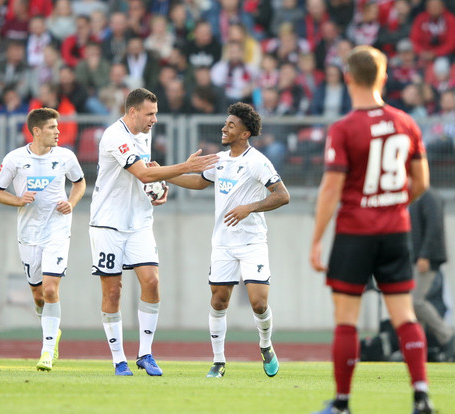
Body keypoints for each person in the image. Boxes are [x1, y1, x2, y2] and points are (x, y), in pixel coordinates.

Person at [309, 45, 434, 414]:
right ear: (383, 76)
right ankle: (422, 397)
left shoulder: (345, 128)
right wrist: (391, 202)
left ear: (347, 77)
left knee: (346, 318)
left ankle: (344, 403)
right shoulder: (406, 122)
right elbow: (422, 182)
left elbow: (332, 188)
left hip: (354, 232)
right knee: (405, 315)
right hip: (396, 230)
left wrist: (317, 239)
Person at [89, 87, 217, 376]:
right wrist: (185, 167)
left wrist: (159, 189)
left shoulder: (142, 133)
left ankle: (145, 353)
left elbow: (147, 173)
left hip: (139, 222)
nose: (154, 120)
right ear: (132, 112)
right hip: (108, 222)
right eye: (150, 114)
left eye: (156, 114)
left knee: (152, 281)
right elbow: (142, 173)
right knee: (113, 291)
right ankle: (118, 359)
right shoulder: (114, 136)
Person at [166, 102, 290, 379]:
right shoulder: (220, 159)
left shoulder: (258, 162)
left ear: (245, 134)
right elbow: (200, 182)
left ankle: (266, 345)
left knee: (259, 303)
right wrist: (168, 175)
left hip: (252, 242)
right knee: (219, 300)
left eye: (231, 125)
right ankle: (218, 361)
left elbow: (282, 195)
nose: (224, 128)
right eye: (226, 123)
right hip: (223, 243)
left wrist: (249, 207)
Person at [0, 107, 86, 371]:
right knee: (37, 293)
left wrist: (71, 202)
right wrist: (18, 200)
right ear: (36, 131)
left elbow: (80, 183)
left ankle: (46, 351)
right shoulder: (14, 159)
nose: (58, 132)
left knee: (51, 288)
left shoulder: (66, 156)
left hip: (57, 230)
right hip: (28, 235)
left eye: (58, 127)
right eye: (52, 128)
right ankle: (52, 331)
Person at [410, 189, 455, 361]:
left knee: (416, 301)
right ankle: (417, 346)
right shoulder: (418, 196)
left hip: (427, 258)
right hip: (418, 258)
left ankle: (447, 335)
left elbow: (434, 225)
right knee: (412, 306)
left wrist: (425, 254)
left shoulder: (429, 196)